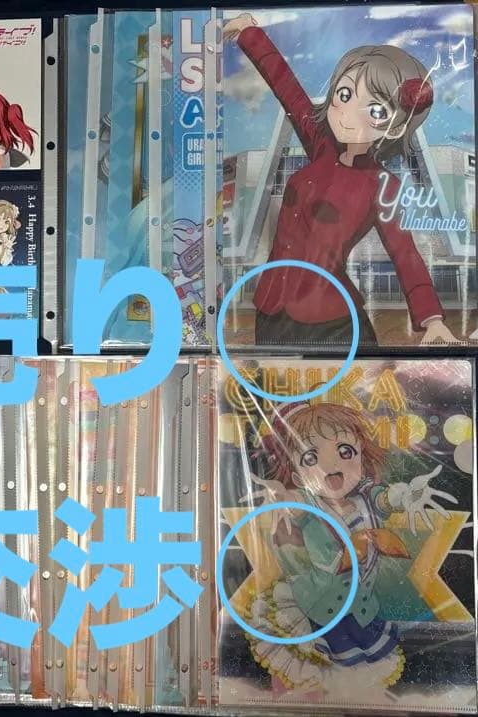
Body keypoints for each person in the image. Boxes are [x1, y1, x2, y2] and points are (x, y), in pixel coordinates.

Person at [222, 13, 457, 346]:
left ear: (396, 127)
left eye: (375, 110)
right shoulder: (321, 144)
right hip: (271, 310)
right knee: (277, 382)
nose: (348, 114)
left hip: (331, 320)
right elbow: (287, 88)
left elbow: (405, 254)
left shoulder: (383, 184)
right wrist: (250, 32)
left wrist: (432, 319)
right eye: (345, 95)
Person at [243, 401, 455, 696]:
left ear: (362, 458)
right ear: (297, 474)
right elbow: (293, 504)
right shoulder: (308, 505)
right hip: (318, 610)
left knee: (360, 678)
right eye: (310, 457)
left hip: (360, 610)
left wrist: (407, 494)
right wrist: (279, 495)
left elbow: (386, 499)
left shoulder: (365, 499)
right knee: (307, 676)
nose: (331, 465)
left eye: (345, 451)